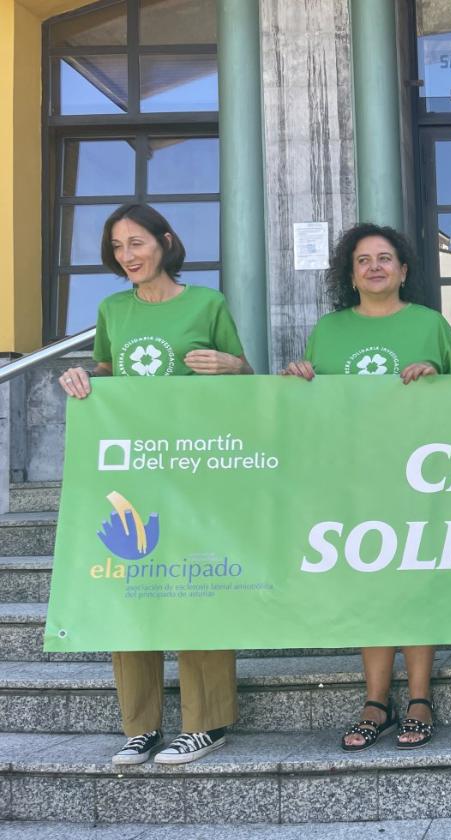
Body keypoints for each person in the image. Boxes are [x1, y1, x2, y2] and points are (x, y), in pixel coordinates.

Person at [58, 202, 251, 765]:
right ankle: (140, 726)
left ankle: (206, 722)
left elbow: (244, 374)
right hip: (130, 470)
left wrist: (231, 366)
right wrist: (80, 378)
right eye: (117, 247)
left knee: (197, 580)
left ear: (165, 242)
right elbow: (107, 377)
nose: (127, 256)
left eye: (137, 243)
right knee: (130, 585)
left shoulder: (207, 303)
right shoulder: (113, 310)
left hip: (196, 468)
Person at [283, 223, 451, 750]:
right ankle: (375, 698)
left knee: (415, 581)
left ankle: (420, 698)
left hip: (419, 475)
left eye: (385, 258)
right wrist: (298, 378)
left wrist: (435, 375)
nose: (375, 267)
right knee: (369, 582)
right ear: (351, 273)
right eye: (363, 260)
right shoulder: (329, 330)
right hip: (354, 478)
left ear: (404, 270)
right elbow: (311, 408)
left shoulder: (430, 325)